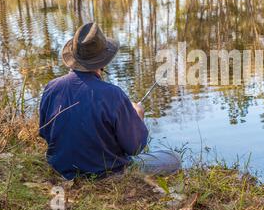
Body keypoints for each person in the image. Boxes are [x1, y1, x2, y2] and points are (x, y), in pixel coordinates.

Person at [39, 22, 181, 180]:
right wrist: (138, 116)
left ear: (74, 58)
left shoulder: (51, 88)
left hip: (60, 170)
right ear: (103, 61)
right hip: (106, 174)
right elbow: (135, 148)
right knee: (173, 158)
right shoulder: (113, 95)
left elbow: (45, 133)